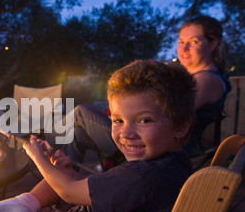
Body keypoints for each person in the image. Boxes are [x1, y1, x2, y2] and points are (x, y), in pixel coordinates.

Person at [0, 59, 196, 212]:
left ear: (181, 127)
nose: (126, 133)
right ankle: (23, 205)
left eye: (144, 120)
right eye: (118, 120)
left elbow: (70, 193)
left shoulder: (143, 176)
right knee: (50, 189)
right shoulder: (172, 165)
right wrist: (67, 172)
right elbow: (105, 190)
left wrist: (39, 159)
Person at [47, 15, 230, 163]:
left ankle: (39, 147)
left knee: (81, 113)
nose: (184, 48)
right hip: (148, 137)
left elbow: (162, 111)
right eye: (181, 42)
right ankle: (52, 191)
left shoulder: (206, 79)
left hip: (154, 146)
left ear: (213, 44)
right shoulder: (195, 77)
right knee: (76, 133)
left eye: (194, 42)